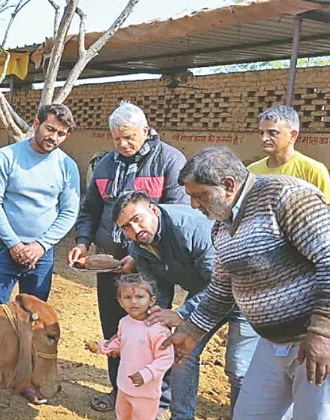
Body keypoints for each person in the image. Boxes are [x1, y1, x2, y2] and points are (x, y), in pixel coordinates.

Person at [164, 146, 330, 419]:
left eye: (199, 195)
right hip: (271, 344)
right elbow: (221, 289)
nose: (193, 204)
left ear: (228, 185)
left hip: (314, 344)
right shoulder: (221, 227)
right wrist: (191, 331)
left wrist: (323, 331)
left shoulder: (285, 196)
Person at [68, 100, 188, 415]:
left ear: (146, 131)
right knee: (115, 328)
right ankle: (118, 388)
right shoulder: (105, 164)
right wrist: (82, 242)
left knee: (152, 332)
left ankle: (157, 401)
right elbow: (90, 209)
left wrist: (137, 255)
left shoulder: (170, 162)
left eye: (129, 137)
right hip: (110, 267)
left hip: (151, 269)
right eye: (117, 138)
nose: (123, 144)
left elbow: (176, 216)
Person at [112, 190, 258, 418]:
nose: (135, 230)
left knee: (239, 368)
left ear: (152, 209)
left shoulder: (192, 229)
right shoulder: (139, 246)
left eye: (136, 219)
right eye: (126, 227)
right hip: (203, 293)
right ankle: (181, 416)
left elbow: (222, 283)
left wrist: (181, 313)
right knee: (182, 351)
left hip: (243, 294)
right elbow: (156, 287)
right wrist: (154, 317)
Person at [0, 103, 81, 404]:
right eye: (50, 129)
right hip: (4, 248)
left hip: (43, 253)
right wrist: (13, 243)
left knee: (36, 321)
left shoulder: (67, 166)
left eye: (61, 134)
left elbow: (69, 212)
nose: (54, 137)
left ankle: (27, 380)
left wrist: (40, 245)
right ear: (36, 123)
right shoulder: (7, 157)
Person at [86, 273, 175, 420]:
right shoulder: (124, 322)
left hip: (145, 392)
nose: (133, 302)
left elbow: (166, 358)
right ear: (120, 302)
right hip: (124, 386)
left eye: (140, 297)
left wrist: (147, 374)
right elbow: (121, 342)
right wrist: (102, 347)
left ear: (152, 300)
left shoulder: (157, 329)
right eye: (127, 297)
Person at [248, 105, 330, 199]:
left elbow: (325, 210)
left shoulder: (313, 171)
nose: (264, 139)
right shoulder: (251, 171)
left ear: (293, 135)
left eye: (272, 133)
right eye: (261, 133)